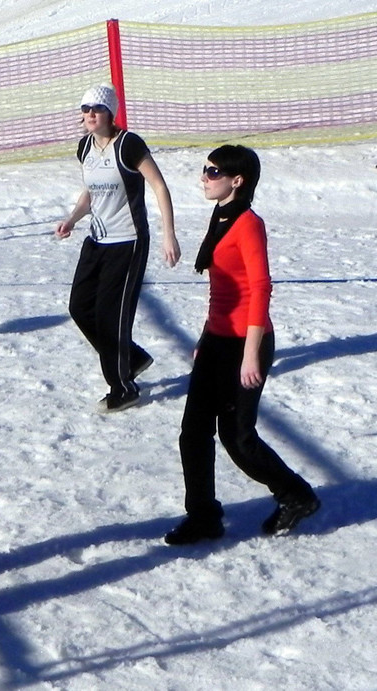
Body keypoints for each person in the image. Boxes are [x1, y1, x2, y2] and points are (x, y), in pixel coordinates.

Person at [164, 145, 320, 544]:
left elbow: (259, 288)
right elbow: (222, 291)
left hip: (246, 342)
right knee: (193, 432)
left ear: (237, 181)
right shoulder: (221, 215)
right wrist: (205, 337)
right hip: (217, 340)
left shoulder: (248, 223)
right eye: (205, 169)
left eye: (213, 172)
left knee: (238, 438)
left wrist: (251, 355)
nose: (204, 177)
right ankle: (203, 516)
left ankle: (296, 495)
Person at [55, 84, 181, 412]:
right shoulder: (85, 147)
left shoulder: (128, 145)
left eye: (97, 109)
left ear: (110, 113)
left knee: (110, 317)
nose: (90, 115)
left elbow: (159, 186)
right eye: (85, 109)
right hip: (96, 240)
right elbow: (91, 193)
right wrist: (72, 219)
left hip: (127, 242)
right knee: (80, 307)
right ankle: (132, 357)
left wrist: (169, 234)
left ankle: (123, 387)